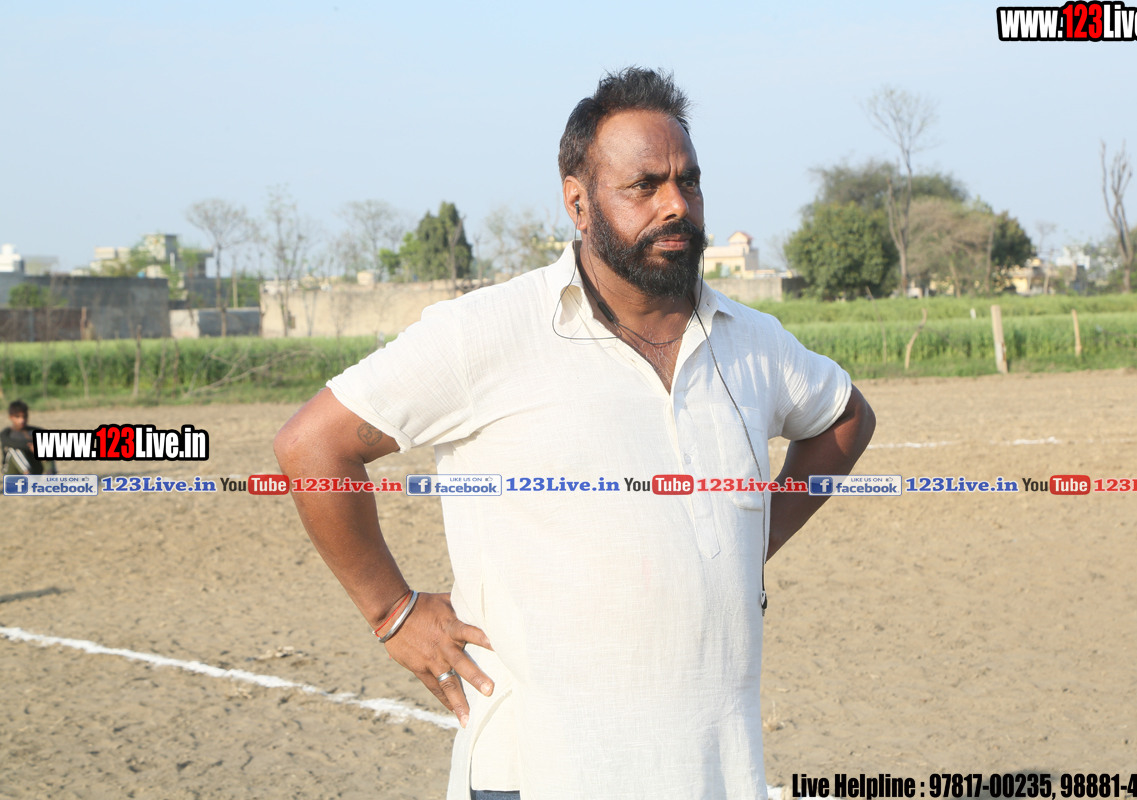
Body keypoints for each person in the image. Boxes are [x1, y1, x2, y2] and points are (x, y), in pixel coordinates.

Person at [274, 67, 876, 800]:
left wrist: (752, 542)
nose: (675, 205)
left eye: (688, 181)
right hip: (539, 773)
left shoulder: (751, 341)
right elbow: (313, 444)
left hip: (716, 773)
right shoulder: (489, 331)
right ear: (578, 201)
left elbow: (845, 417)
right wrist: (391, 612)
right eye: (644, 185)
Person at [1, 400, 50, 476]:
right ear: (11, 417)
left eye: (24, 416)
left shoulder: (35, 431)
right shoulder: (7, 433)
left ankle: (50, 475)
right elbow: (11, 443)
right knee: (14, 449)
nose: (22, 420)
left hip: (35, 469)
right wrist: (30, 446)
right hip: (13, 473)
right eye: (17, 417)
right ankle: (28, 475)